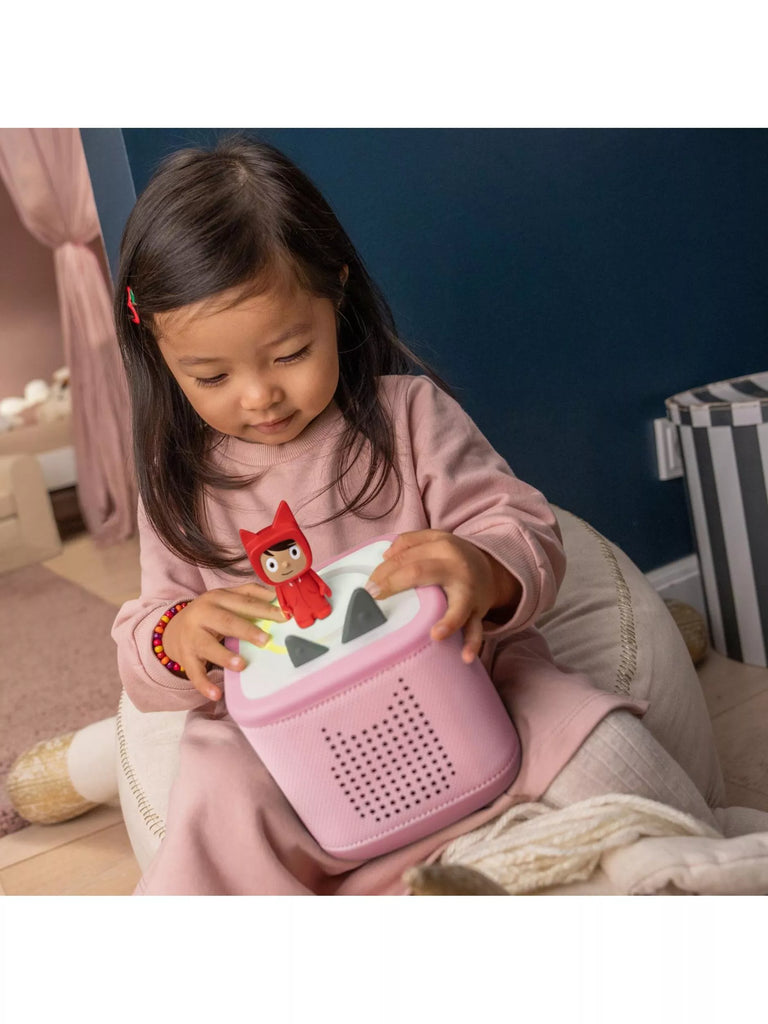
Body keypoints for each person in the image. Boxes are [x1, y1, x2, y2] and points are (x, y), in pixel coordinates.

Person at [111, 135, 719, 895]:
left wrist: (483, 569)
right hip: (298, 760)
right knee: (215, 792)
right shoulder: (180, 482)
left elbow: (520, 523)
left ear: (335, 295)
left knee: (593, 735)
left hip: (471, 693)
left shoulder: (408, 417)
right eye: (212, 376)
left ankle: (695, 869)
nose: (259, 395)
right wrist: (179, 636)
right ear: (161, 355)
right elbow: (145, 632)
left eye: (290, 353)